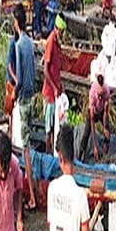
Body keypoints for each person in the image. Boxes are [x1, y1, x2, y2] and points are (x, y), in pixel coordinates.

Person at [8, 6, 41, 208]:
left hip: (24, 100)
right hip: (32, 96)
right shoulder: (29, 42)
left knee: (25, 150)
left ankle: (32, 197)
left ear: (16, 22)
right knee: (27, 145)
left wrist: (14, 92)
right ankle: (32, 188)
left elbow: (18, 79)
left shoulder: (20, 45)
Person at [42, 15, 65, 152]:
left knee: (55, 125)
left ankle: (51, 152)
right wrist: (55, 88)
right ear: (57, 29)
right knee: (49, 128)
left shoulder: (57, 43)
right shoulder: (51, 41)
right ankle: (47, 153)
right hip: (50, 93)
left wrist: (59, 86)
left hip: (55, 90)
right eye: (61, 31)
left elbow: (56, 68)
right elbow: (46, 69)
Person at [86, 72, 111, 160]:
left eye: (102, 96)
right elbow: (92, 122)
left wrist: (104, 127)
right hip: (93, 111)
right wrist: (95, 146)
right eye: (99, 96)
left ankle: (105, 157)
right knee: (86, 132)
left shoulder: (107, 91)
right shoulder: (92, 93)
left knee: (108, 131)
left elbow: (105, 111)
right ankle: (81, 155)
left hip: (101, 111)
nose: (100, 98)